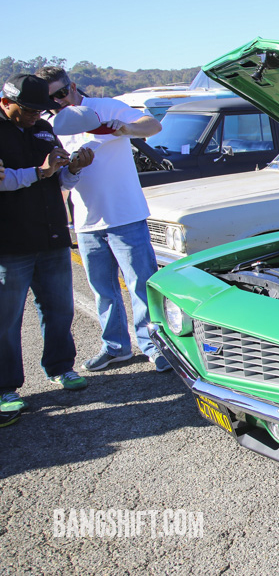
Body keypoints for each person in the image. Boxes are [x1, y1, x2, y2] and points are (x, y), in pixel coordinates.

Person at [37, 67, 171, 373]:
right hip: (85, 221)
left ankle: (153, 344)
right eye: (50, 100)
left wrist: (124, 127)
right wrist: (70, 168)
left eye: (60, 93)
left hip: (125, 215)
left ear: (71, 86)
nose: (58, 102)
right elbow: (60, 178)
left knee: (141, 284)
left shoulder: (105, 106)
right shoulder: (53, 123)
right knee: (103, 289)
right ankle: (115, 346)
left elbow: (152, 125)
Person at [0, 75, 96, 426]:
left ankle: (61, 368)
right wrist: (39, 172)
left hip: (52, 236)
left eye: (38, 110)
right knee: (6, 322)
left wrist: (71, 168)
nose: (32, 116)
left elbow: (59, 178)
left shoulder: (42, 129)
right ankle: (5, 388)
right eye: (25, 109)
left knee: (59, 310)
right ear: (5, 101)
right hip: (10, 243)